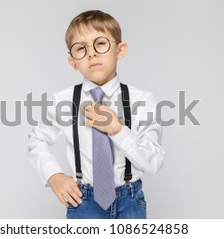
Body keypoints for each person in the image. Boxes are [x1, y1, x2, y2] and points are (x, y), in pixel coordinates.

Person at [28, 10, 165, 219]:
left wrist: (118, 130)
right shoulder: (62, 101)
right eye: (80, 49)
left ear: (120, 50)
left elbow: (154, 161)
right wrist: (53, 176)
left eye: (100, 43)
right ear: (73, 62)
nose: (91, 53)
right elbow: (36, 140)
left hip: (130, 201)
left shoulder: (141, 100)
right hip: (83, 203)